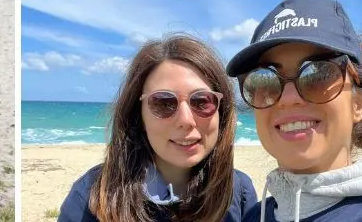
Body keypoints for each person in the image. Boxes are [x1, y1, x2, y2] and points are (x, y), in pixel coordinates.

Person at [227, 0, 362, 222]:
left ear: (359, 103)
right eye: (265, 79)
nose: (288, 98)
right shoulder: (255, 215)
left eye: (319, 73)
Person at [57, 35, 256, 222]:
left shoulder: (239, 192)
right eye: (164, 102)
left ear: (222, 112)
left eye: (202, 101)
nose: (186, 120)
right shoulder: (91, 198)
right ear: (138, 115)